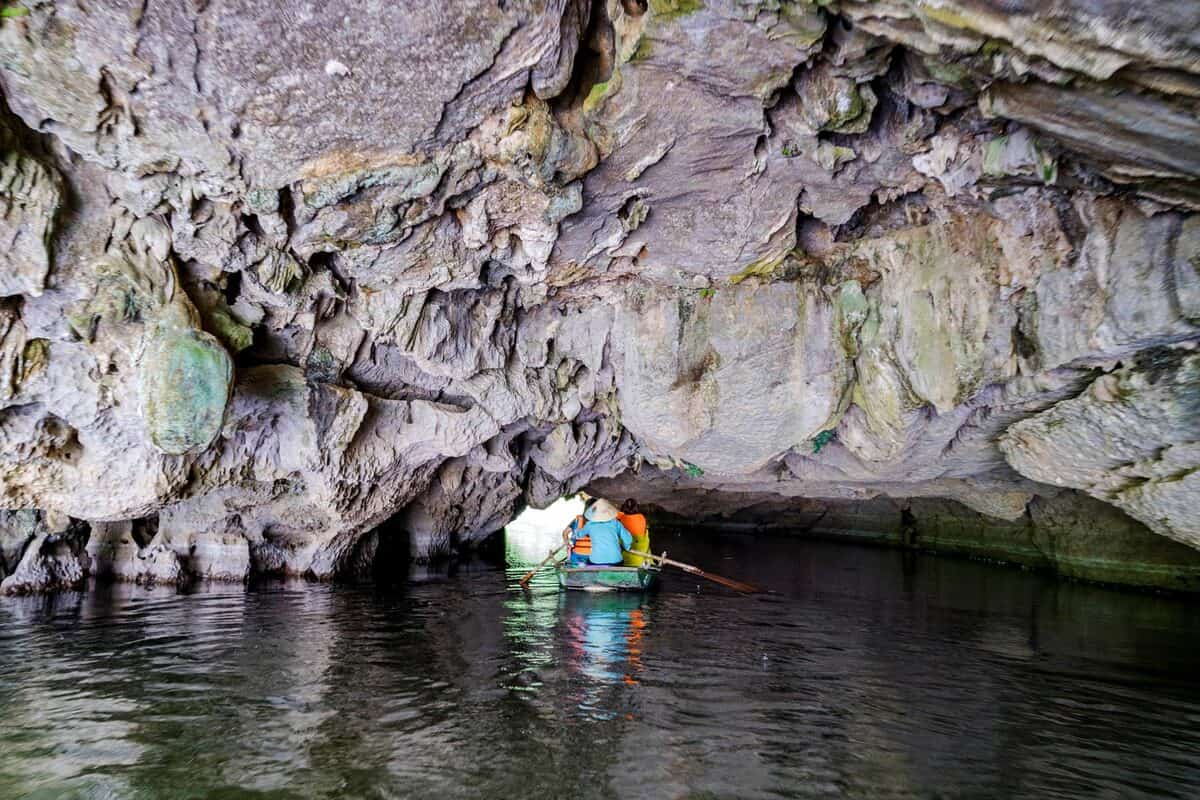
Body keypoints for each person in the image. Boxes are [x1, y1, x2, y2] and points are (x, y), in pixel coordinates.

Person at [578, 498, 632, 566]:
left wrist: (580, 521)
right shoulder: (615, 522)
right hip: (615, 560)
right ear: (608, 512)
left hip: (596, 561)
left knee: (586, 562)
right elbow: (628, 538)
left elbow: (579, 535)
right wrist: (627, 547)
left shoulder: (589, 524)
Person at [563, 496, 597, 565]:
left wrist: (568, 545)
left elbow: (565, 533)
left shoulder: (577, 520)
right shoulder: (601, 521)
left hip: (576, 556)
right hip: (594, 556)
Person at [617, 499, 650, 567]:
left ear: (624, 507)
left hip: (630, 544)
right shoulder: (642, 517)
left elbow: (616, 514)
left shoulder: (623, 517)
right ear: (636, 507)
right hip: (642, 544)